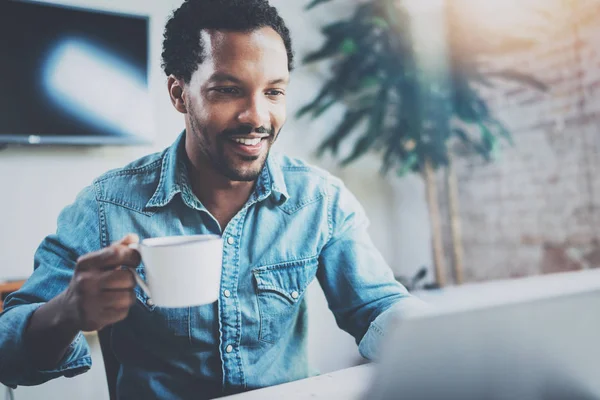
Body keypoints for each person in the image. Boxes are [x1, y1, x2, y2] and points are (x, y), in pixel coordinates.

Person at [0, 0, 423, 398]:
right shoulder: (105, 207)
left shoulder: (320, 200)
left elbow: (378, 307)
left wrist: (431, 334)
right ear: (179, 94)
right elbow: (7, 354)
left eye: (274, 92)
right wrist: (67, 311)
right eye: (227, 90)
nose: (257, 117)